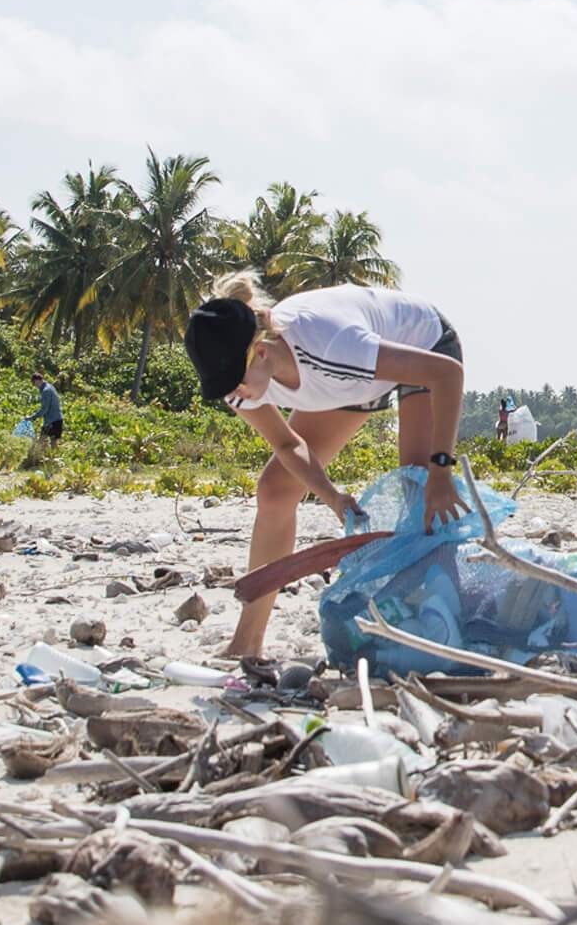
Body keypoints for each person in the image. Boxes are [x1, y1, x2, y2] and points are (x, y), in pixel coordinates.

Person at [183, 272, 467, 660]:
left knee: (418, 491)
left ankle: (444, 628)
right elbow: (287, 444)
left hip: (422, 346)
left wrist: (440, 471)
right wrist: (331, 495)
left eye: (235, 383)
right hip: (350, 382)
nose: (233, 395)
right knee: (275, 490)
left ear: (261, 353)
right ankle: (247, 642)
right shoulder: (242, 384)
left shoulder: (332, 344)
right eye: (222, 387)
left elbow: (446, 373)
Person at [32, 371, 63, 446]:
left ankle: (38, 455)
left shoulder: (46, 391)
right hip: (58, 419)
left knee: (41, 441)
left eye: (35, 383)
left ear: (38, 381)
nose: (35, 386)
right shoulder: (49, 386)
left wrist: (33, 417)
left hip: (52, 421)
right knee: (53, 442)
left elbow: (44, 409)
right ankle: (52, 456)